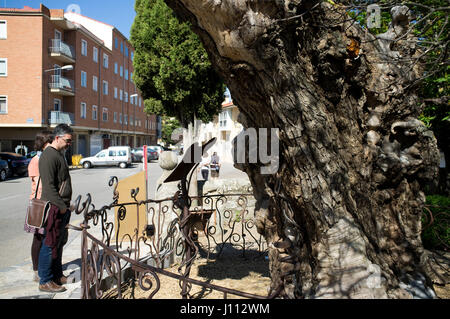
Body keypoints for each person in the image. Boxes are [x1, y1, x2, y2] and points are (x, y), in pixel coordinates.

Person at [37, 124, 73, 293]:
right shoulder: (48, 156)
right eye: (67, 140)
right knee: (49, 244)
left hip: (61, 207)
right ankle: (45, 280)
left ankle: (57, 275)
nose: (69, 144)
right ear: (57, 138)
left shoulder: (58, 154)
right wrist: (61, 206)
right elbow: (49, 187)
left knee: (58, 244)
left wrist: (66, 205)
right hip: (54, 208)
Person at [25, 130, 54, 283]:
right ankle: (36, 270)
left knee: (44, 237)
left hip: (43, 203)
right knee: (38, 238)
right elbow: (39, 185)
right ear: (43, 143)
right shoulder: (37, 159)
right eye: (50, 141)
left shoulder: (44, 157)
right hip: (38, 204)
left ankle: (42, 267)